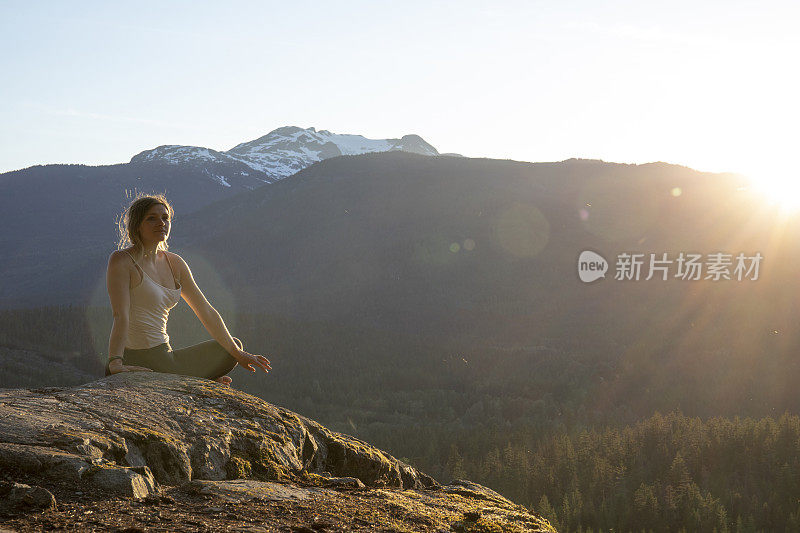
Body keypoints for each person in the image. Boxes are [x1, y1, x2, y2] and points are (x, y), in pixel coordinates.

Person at [105, 194, 270, 385]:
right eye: (151, 218)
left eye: (165, 218)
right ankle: (200, 379)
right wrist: (115, 362)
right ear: (137, 225)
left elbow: (205, 310)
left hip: (164, 355)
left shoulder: (175, 263)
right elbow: (120, 315)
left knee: (232, 346)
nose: (161, 223)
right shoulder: (122, 260)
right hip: (135, 358)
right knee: (230, 350)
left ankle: (197, 378)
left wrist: (239, 354)